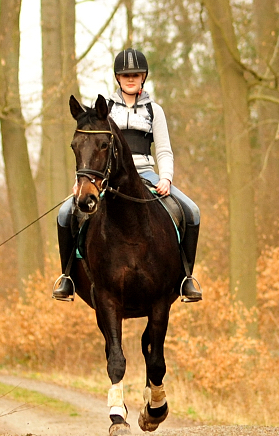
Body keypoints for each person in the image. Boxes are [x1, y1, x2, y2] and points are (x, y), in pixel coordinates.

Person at [53, 48, 202, 302]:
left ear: (143, 77)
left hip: (146, 172)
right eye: (125, 75)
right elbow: (88, 150)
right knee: (65, 214)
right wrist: (82, 183)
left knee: (192, 211)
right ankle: (67, 277)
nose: (130, 79)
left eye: (135, 74)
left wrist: (165, 177)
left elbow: (164, 150)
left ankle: (186, 278)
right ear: (117, 78)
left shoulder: (155, 111)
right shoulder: (105, 110)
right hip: (106, 177)